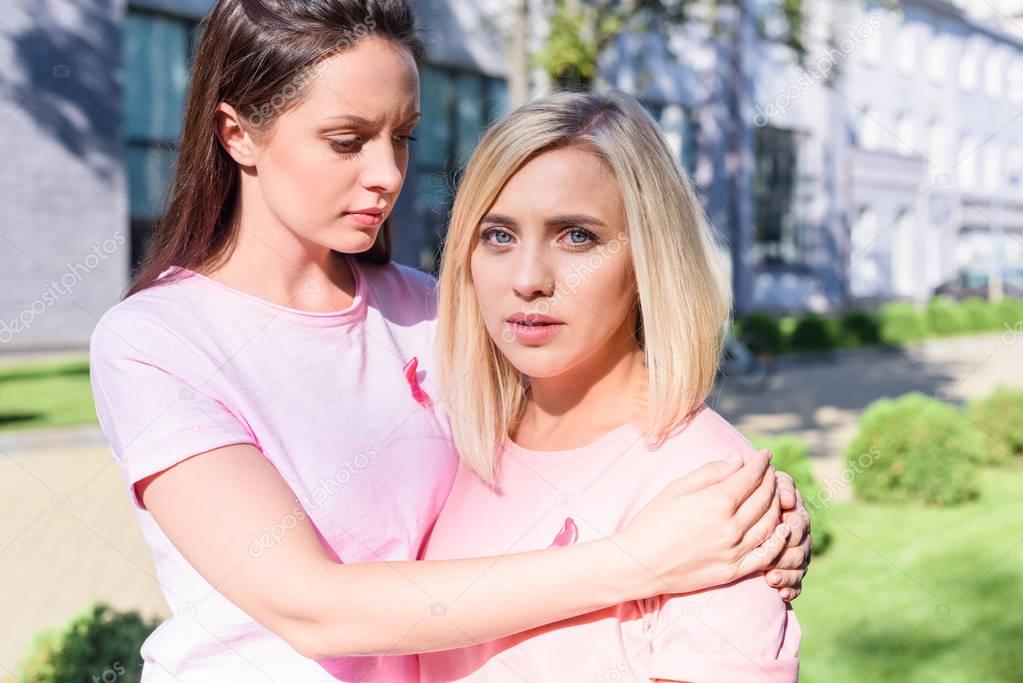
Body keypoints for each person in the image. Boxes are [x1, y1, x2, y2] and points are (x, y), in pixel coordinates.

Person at [88, 1, 811, 681]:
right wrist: (643, 558)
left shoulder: (433, 311)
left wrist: (759, 512)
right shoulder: (156, 342)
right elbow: (313, 607)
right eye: (347, 141)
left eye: (401, 136)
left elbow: (596, 432)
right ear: (235, 132)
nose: (387, 175)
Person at [420, 91, 800, 681]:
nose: (527, 280)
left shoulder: (712, 488)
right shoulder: (462, 436)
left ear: (649, 259)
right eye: (498, 235)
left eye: (577, 237)